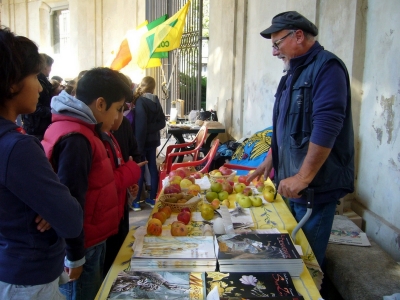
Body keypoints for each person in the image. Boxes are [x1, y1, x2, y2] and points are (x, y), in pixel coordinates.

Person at [248, 11, 354, 267]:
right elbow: (286, 127)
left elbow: (326, 127)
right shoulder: (292, 73)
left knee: (304, 267)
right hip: (290, 184)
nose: (274, 52)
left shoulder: (327, 68)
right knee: (288, 260)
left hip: (313, 191)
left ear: (298, 36)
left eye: (277, 44)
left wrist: (303, 177)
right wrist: (270, 160)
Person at [0, 27, 83, 299]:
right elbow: (70, 219)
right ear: (11, 82)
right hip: (28, 280)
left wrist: (48, 204)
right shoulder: (18, 148)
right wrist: (53, 206)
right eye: (34, 76)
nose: (39, 86)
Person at [41, 67, 136, 300]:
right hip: (83, 245)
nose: (117, 118)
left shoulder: (86, 131)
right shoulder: (77, 138)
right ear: (101, 104)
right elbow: (70, 205)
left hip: (92, 239)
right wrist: (74, 256)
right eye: (117, 109)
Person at [102, 74, 144, 275]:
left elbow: (133, 155)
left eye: (123, 109)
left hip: (118, 210)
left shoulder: (117, 130)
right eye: (119, 109)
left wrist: (130, 179)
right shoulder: (83, 140)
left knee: (117, 260)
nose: (121, 116)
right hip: (100, 226)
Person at [132, 76, 166, 209]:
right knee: (152, 167)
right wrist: (152, 129)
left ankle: (136, 201)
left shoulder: (140, 101)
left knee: (140, 168)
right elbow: (162, 122)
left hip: (142, 142)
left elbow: (141, 127)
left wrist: (138, 146)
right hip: (154, 141)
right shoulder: (156, 100)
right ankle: (152, 198)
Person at [22, 53, 54, 140]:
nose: (39, 88)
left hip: (38, 126)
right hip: (36, 127)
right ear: (45, 66)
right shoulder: (39, 81)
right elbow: (36, 107)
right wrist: (53, 112)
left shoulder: (44, 81)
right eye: (50, 66)